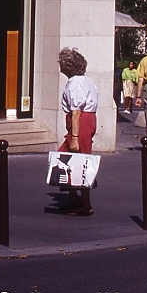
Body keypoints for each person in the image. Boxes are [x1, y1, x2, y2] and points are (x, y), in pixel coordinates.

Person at [58, 47, 97, 216]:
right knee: (70, 160)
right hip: (85, 121)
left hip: (81, 123)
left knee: (79, 161)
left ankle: (85, 203)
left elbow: (76, 111)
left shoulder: (75, 83)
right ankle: (74, 197)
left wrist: (74, 137)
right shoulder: (86, 81)